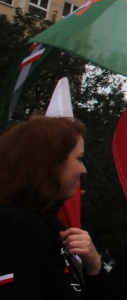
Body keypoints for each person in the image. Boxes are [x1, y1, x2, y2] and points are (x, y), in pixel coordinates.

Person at [0, 115, 107, 298]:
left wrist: (94, 266)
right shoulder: (17, 225)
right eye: (79, 158)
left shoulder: (50, 225)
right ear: (51, 163)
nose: (83, 170)